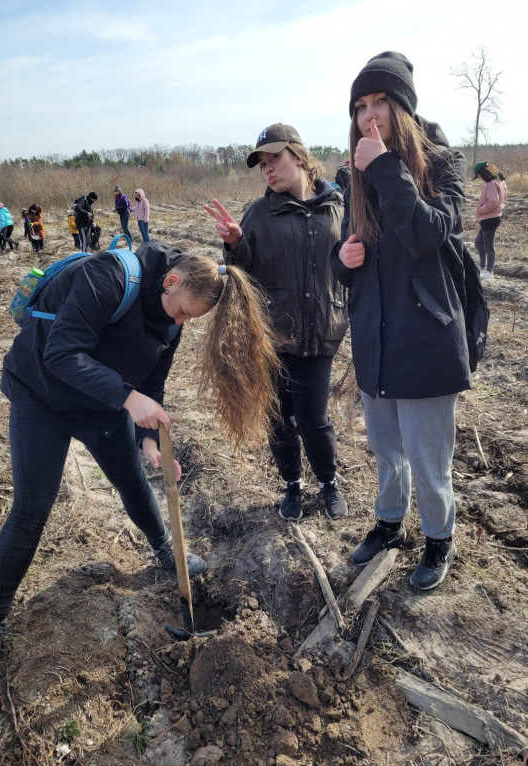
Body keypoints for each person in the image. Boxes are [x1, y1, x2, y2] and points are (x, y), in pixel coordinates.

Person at [0, 241, 279, 699]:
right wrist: (129, 400)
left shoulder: (172, 319)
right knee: (32, 509)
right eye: (183, 312)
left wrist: (149, 438)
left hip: (101, 407)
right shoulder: (109, 276)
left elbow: (152, 381)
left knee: (132, 480)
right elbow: (62, 353)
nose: (181, 323)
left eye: (190, 320)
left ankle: (165, 550)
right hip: (42, 397)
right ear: (171, 280)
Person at [333, 51, 470, 591]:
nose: (370, 115)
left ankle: (439, 537)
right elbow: (350, 255)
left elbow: (427, 232)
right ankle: (389, 525)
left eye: (381, 102)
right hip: (375, 340)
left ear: (403, 107)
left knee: (428, 458)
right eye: (361, 105)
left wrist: (385, 166)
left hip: (427, 340)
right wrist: (340, 262)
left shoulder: (442, 166)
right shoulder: (355, 178)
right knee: (387, 452)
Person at [205, 123, 348, 523]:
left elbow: (352, 261)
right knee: (279, 417)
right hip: (274, 336)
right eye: (262, 165)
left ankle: (329, 483)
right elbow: (242, 278)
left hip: (321, 330)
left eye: (275, 160)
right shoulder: (258, 214)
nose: (268, 170)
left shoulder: (338, 206)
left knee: (314, 418)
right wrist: (235, 244)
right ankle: (292, 486)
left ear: (299, 157)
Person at [473, 161, 507, 279]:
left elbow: (493, 202)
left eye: (478, 176)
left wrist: (480, 209)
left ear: (483, 173)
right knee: (478, 243)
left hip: (490, 218)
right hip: (491, 217)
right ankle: (482, 268)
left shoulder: (491, 184)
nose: (479, 179)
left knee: (488, 245)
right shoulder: (499, 181)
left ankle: (489, 271)